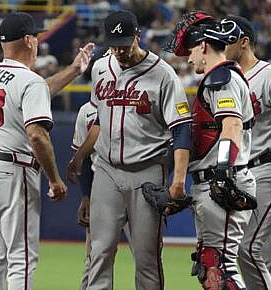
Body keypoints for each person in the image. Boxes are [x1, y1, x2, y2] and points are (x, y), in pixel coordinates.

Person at [68, 10, 192, 289]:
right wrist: (79, 157)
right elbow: (100, 119)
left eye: (125, 43)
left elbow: (182, 128)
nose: (119, 50)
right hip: (107, 172)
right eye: (114, 44)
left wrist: (179, 180)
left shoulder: (163, 74)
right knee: (99, 251)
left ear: (139, 36)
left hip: (146, 172)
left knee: (147, 257)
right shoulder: (101, 67)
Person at [0, 12, 93, 290]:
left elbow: (35, 91)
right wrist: (54, 179)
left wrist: (73, 70)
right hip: (11, 171)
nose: (38, 41)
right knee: (22, 259)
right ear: (28, 40)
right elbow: (37, 136)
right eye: (36, 36)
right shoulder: (29, 81)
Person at [165, 12, 256, 289]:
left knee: (220, 269)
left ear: (204, 46)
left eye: (191, 51)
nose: (188, 58)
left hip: (224, 181)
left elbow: (231, 126)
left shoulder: (222, 78)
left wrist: (222, 171)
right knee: (211, 267)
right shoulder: (221, 77)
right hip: (216, 181)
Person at [225, 15, 271, 290]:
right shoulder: (229, 80)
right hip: (246, 170)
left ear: (244, 42)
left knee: (248, 247)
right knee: (268, 255)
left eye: (228, 41)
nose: (222, 46)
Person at [69, 100, 132, 290]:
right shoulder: (86, 111)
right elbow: (86, 159)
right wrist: (86, 196)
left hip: (139, 179)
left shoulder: (135, 99)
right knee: (95, 255)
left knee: (146, 256)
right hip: (101, 183)